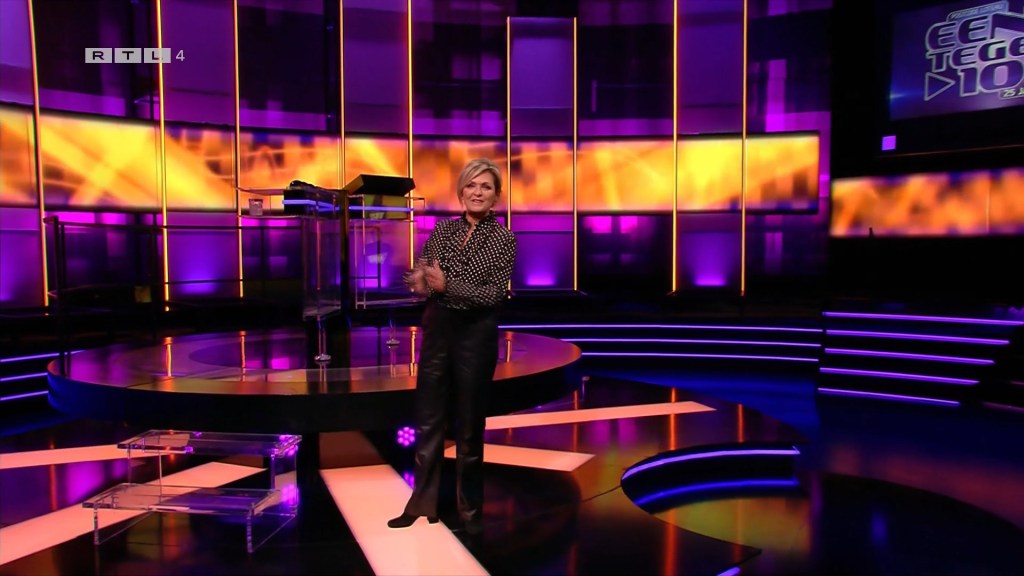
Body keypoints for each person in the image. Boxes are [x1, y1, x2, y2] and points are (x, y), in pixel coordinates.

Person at [387, 158, 517, 533]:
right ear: (461, 191)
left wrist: (447, 286)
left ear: (496, 196)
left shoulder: (504, 239)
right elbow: (423, 271)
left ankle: (470, 512)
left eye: (486, 186)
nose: (477, 192)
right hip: (438, 330)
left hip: (475, 336)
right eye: (471, 185)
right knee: (428, 421)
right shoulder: (443, 229)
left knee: (469, 425)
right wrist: (424, 281)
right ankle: (422, 503)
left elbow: (492, 295)